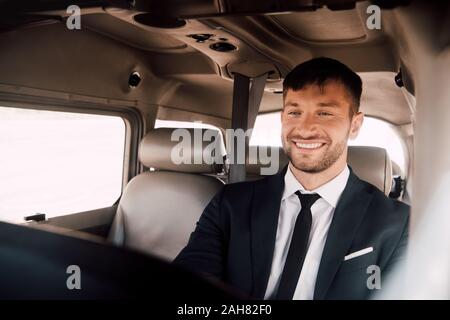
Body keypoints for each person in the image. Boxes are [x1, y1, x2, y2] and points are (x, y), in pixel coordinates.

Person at [173, 57, 409, 300]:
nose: (305, 129)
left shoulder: (396, 223)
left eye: (325, 113)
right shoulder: (231, 204)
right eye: (294, 112)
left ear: (355, 125)